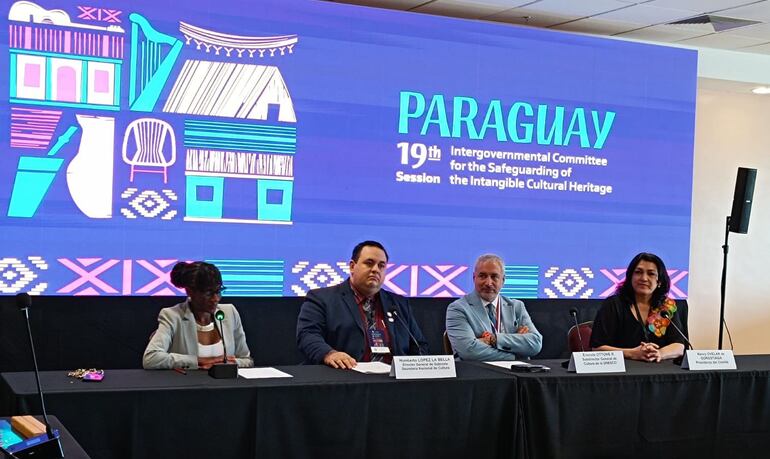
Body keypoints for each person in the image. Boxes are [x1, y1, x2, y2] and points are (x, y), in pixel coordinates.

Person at [296, 241, 429, 368]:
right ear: (352, 266)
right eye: (369, 263)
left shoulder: (398, 304)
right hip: (345, 379)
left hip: (393, 383)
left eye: (381, 265)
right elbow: (308, 335)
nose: (376, 269)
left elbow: (419, 345)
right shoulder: (322, 298)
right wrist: (329, 354)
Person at [143, 261, 253, 369]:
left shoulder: (230, 313)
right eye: (208, 293)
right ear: (190, 291)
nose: (216, 299)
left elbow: (246, 360)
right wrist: (198, 361)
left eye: (218, 291)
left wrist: (226, 363)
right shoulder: (172, 316)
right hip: (188, 385)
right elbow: (151, 358)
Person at [590, 252, 686, 362]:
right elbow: (597, 348)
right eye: (638, 272)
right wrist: (632, 354)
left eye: (651, 274)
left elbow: (679, 347)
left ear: (659, 281)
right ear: (630, 277)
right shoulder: (613, 304)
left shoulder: (666, 306)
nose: (644, 278)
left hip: (659, 373)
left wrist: (659, 353)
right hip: (621, 373)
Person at [446, 254, 542, 360]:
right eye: (482, 276)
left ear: (503, 280)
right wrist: (518, 353)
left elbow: (535, 343)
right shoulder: (457, 309)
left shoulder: (516, 307)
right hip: (479, 373)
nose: (488, 283)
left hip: (516, 373)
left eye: (494, 276)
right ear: (474, 278)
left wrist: (494, 339)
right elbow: (469, 351)